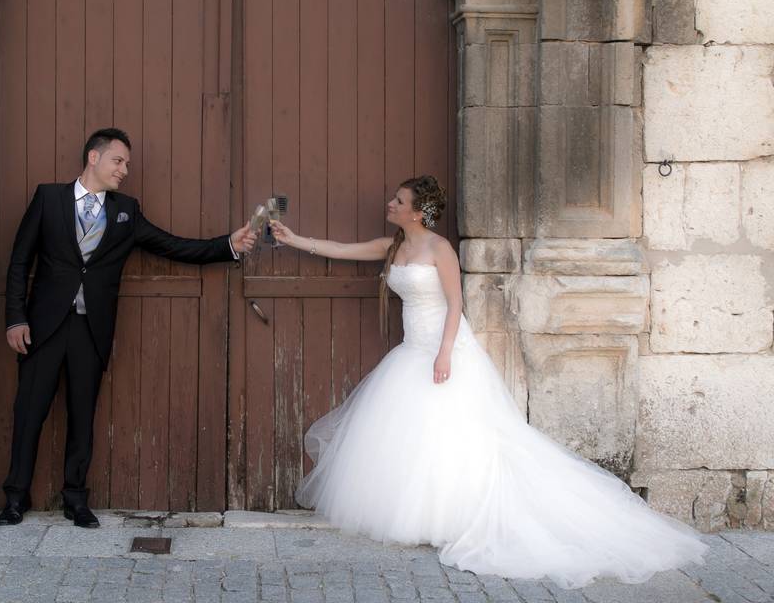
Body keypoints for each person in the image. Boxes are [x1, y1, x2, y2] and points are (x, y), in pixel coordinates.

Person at [268, 175, 707, 588]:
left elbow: (455, 304)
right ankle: (428, 515)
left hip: (445, 350)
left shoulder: (439, 250)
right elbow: (343, 249)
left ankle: (463, 514)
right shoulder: (393, 247)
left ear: (418, 212)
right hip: (411, 353)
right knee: (416, 437)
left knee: (460, 434)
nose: (390, 204)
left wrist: (443, 353)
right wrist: (295, 240)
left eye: (398, 201)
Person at [0, 127, 257, 528]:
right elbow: (19, 262)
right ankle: (15, 498)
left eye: (127, 164)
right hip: (43, 327)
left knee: (82, 417)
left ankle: (75, 499)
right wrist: (16, 318)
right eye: (118, 161)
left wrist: (227, 246)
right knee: (29, 412)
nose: (124, 170)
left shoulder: (126, 210)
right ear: (93, 158)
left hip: (90, 331)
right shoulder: (48, 198)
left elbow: (172, 245)